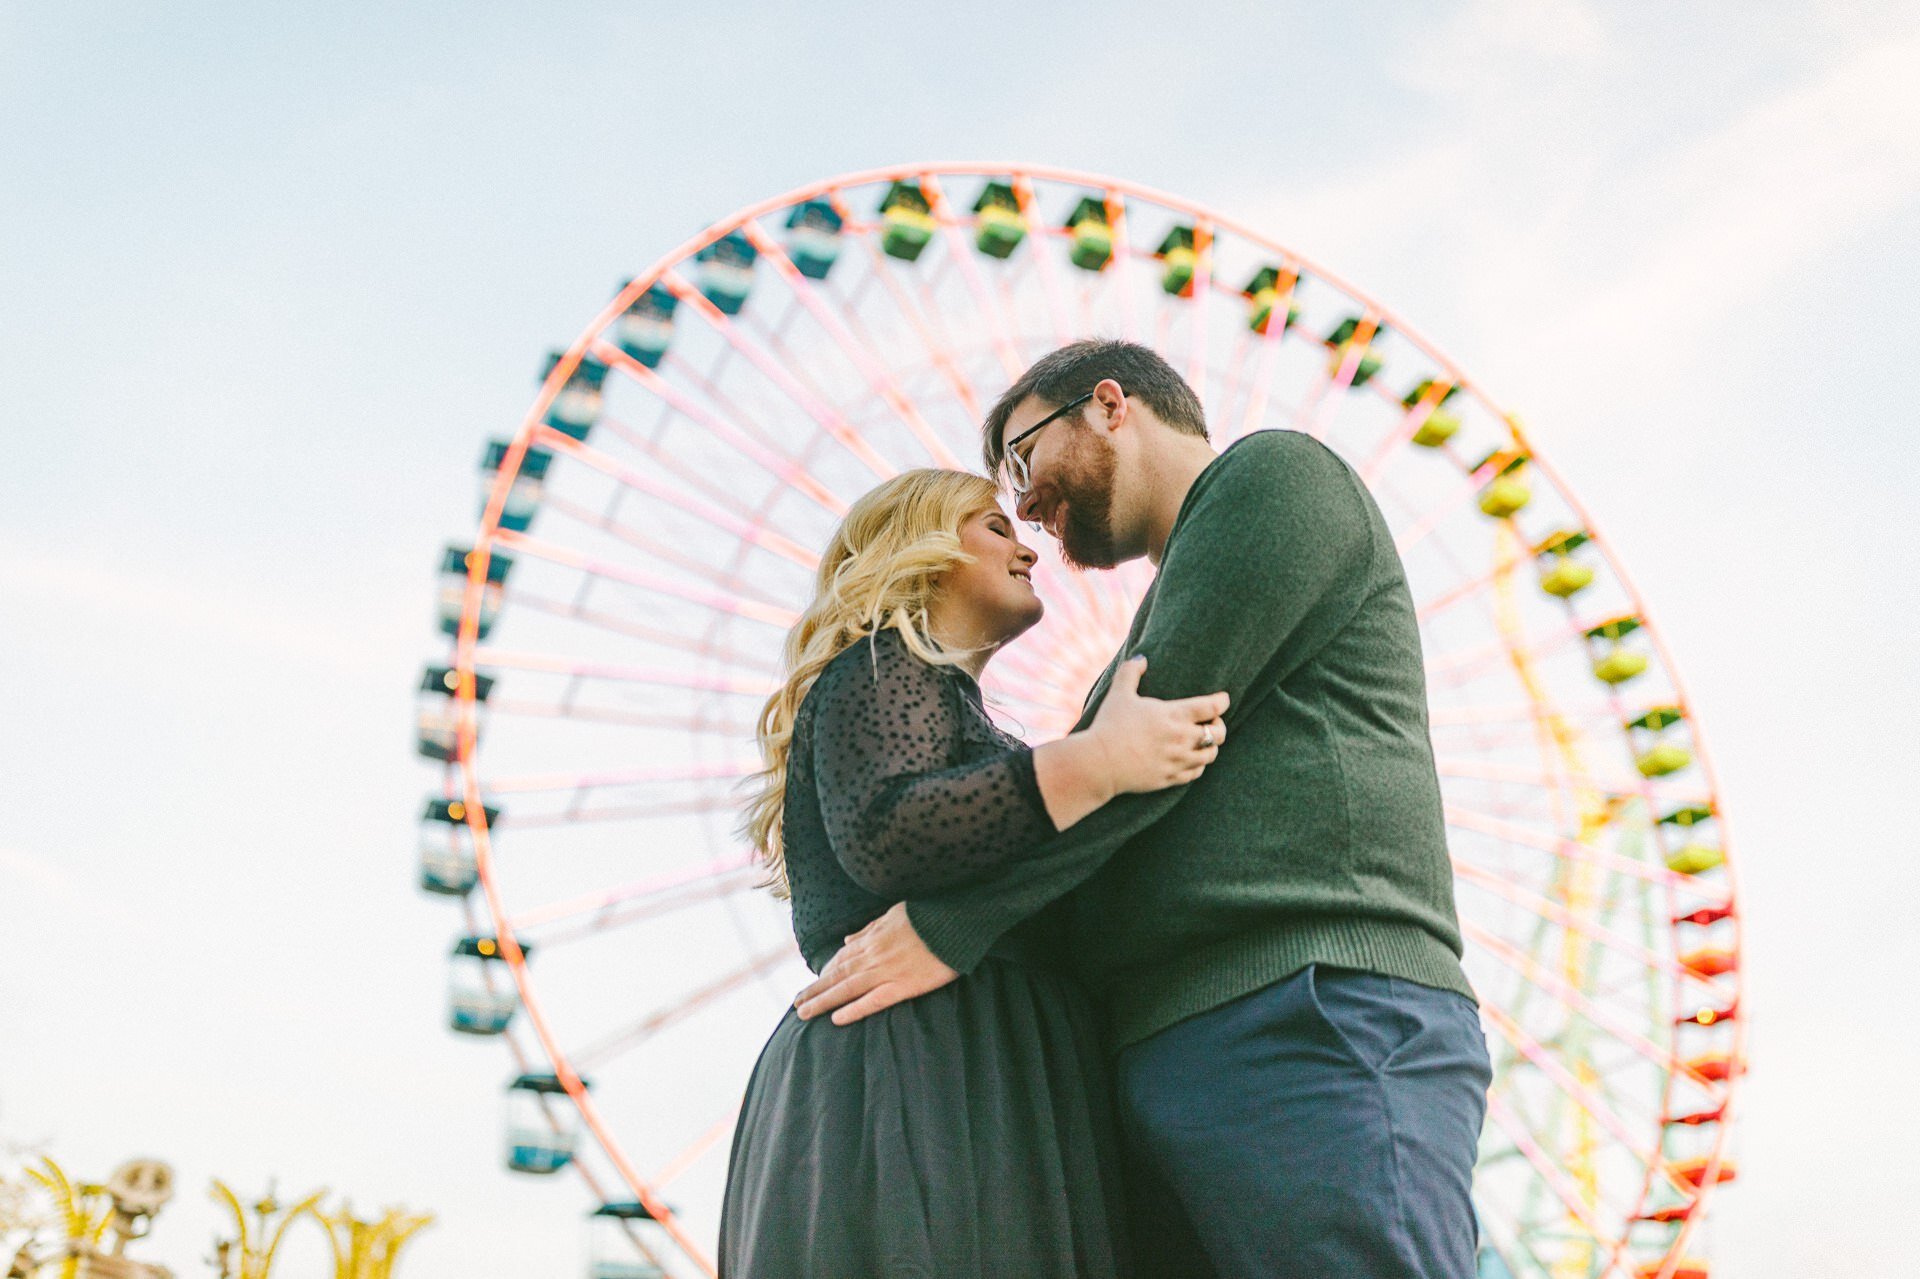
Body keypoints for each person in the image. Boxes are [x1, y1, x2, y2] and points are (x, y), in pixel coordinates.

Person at [796, 340, 1494, 1278]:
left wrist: (953, 925)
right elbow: (1106, 788)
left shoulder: (1274, 479)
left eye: (1022, 459)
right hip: (1166, 1050)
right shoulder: (1120, 645)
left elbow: (1144, 764)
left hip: (1306, 1006)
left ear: (1110, 405)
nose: (1029, 511)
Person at [719, 467, 1230, 1278]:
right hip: (926, 1059)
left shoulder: (941, 702)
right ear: (917, 551)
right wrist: (1095, 762)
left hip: (982, 1056)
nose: (1026, 545)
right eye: (995, 526)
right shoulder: (882, 665)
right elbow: (890, 830)